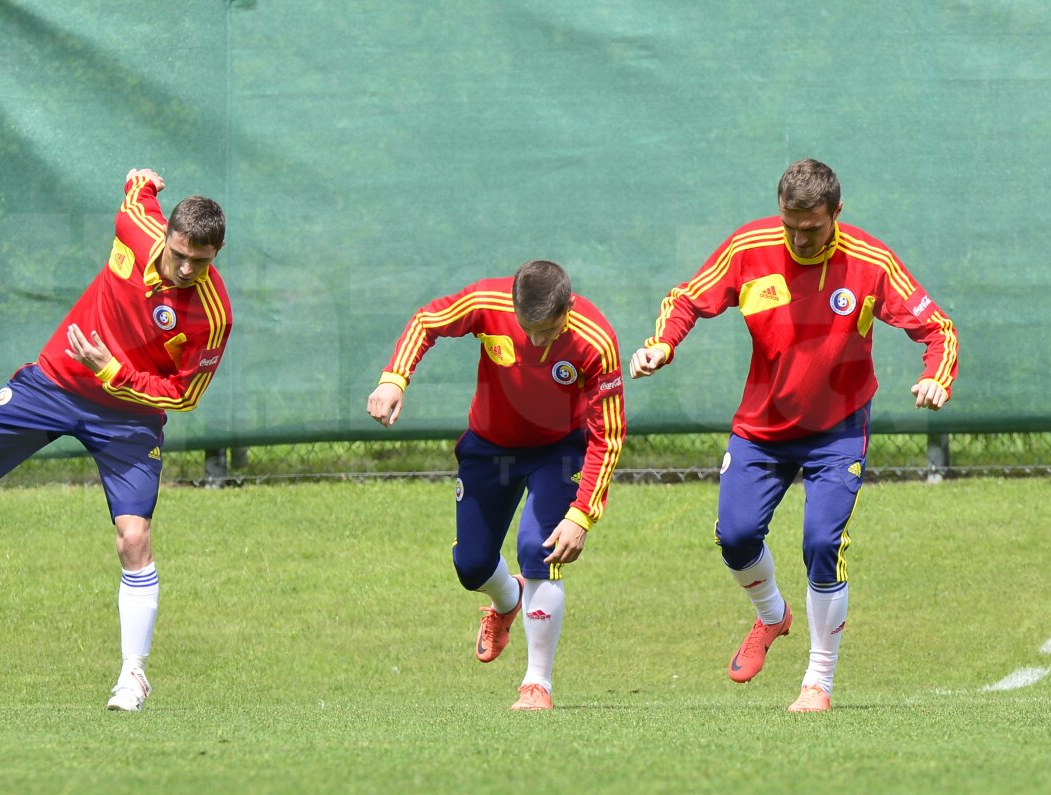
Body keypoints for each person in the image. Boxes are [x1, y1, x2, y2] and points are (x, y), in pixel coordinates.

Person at [628, 159, 958, 712]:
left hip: (838, 430)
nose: (801, 238)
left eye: (814, 228)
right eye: (791, 226)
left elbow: (938, 328)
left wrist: (934, 377)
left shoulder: (870, 262)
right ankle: (772, 616)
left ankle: (818, 679)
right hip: (762, 428)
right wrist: (664, 343)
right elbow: (687, 298)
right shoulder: (749, 247)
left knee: (822, 545)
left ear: (837, 214)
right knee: (734, 538)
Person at [0, 168, 233, 713]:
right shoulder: (135, 225)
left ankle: (133, 675)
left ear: (216, 253)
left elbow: (182, 396)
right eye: (179, 253)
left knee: (134, 538)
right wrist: (143, 178)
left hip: (129, 419)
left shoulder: (213, 318)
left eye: (201, 261)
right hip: (55, 382)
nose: (185, 268)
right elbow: (136, 189)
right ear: (167, 235)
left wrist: (115, 373)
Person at [367, 260, 626, 710]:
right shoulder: (487, 302)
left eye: (547, 329)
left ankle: (536, 684)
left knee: (538, 550)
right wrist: (394, 379)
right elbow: (426, 322)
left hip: (558, 450)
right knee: (470, 566)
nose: (536, 340)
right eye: (528, 328)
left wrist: (581, 514)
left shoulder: (595, 340)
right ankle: (509, 600)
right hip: (490, 448)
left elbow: (610, 434)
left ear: (568, 305)